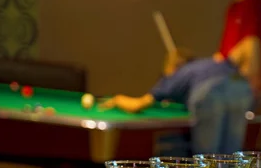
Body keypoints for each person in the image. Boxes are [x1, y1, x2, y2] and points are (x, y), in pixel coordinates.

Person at [101, 49, 253, 155]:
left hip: (210, 93)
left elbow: (138, 104)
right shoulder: (205, 66)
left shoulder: (179, 73)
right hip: (240, 86)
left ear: (172, 67)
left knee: (208, 159)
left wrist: (117, 99)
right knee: (231, 156)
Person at [214, 0, 261, 101]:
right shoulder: (233, 8)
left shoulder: (253, 4)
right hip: (227, 79)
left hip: (241, 84)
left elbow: (252, 45)